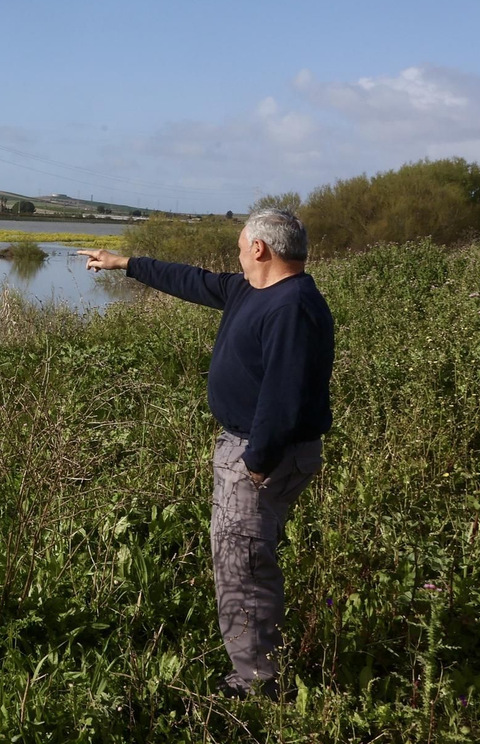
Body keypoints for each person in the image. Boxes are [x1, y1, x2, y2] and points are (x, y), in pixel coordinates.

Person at [78, 208, 334, 700]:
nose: (237, 254)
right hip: (250, 448)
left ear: (260, 248)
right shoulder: (251, 291)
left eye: (241, 246)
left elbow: (283, 397)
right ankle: (259, 666)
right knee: (244, 555)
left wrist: (256, 463)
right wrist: (121, 262)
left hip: (261, 455)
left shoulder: (291, 307)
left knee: (243, 563)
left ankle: (256, 684)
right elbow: (189, 280)